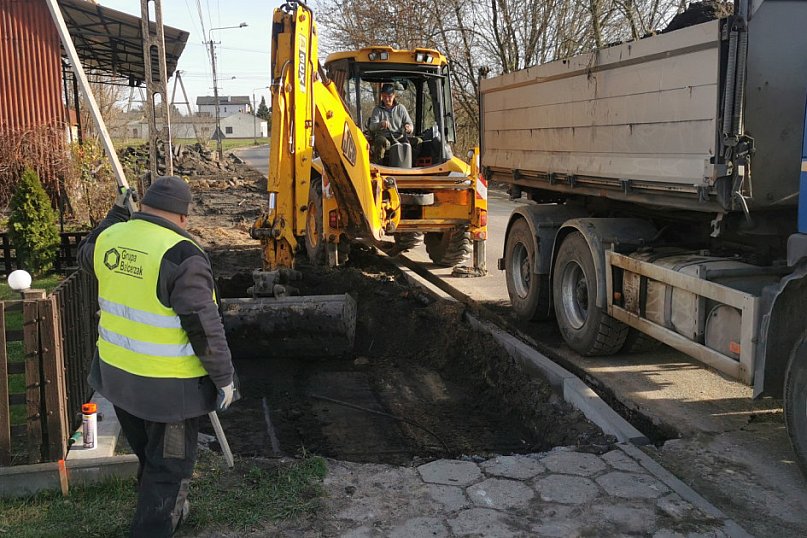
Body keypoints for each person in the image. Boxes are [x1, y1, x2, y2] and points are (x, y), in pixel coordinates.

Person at [77, 176, 236, 537]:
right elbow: (203, 326)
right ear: (183, 216)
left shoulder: (110, 239)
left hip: (116, 382)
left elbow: (85, 253)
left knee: (152, 458)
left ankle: (169, 510)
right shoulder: (182, 255)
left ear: (143, 206)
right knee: (168, 471)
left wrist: (113, 216)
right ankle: (157, 520)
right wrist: (224, 379)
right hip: (170, 397)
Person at [368, 83, 415, 164]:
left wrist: (409, 127)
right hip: (385, 137)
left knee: (418, 141)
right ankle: (379, 166)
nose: (387, 99)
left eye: (389, 96)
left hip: (399, 137)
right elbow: (372, 126)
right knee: (381, 141)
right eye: (384, 96)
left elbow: (409, 123)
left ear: (394, 95)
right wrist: (380, 124)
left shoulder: (401, 108)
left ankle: (411, 164)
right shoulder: (377, 110)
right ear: (382, 96)